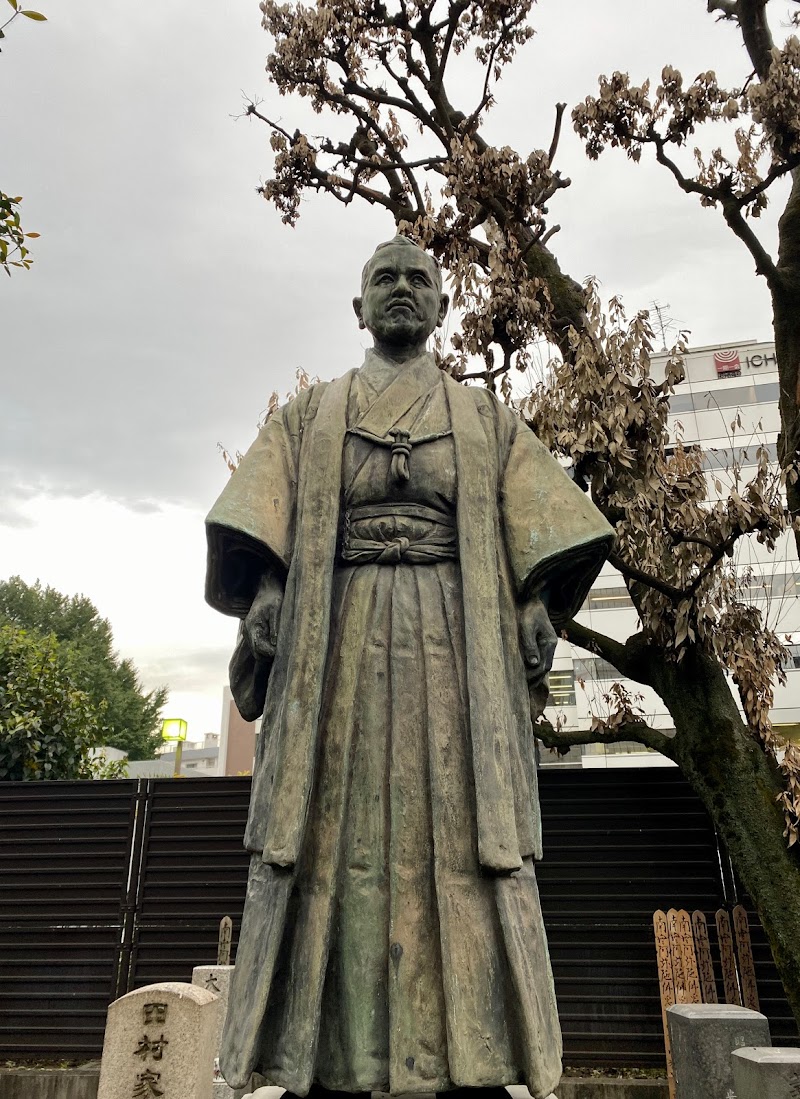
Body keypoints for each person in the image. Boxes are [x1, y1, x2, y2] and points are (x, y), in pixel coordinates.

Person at [205, 236, 614, 1099]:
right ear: (358, 308)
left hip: (455, 653)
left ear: (441, 307)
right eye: (383, 279)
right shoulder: (309, 416)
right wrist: (269, 587)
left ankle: (472, 1053)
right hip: (339, 641)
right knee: (329, 835)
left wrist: (535, 603)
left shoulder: (484, 419)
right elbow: (260, 523)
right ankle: (327, 1055)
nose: (401, 290)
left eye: (418, 280)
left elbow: (539, 526)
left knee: (465, 834)